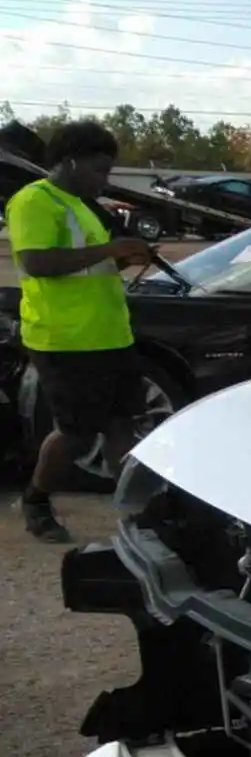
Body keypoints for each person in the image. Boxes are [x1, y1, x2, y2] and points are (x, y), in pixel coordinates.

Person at [6, 119, 155, 543]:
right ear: (70, 162)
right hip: (66, 339)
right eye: (100, 169)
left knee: (123, 423)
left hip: (109, 334)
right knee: (76, 433)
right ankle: (35, 501)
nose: (104, 180)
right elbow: (36, 263)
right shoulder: (35, 201)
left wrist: (124, 258)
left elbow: (88, 267)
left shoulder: (80, 206)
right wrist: (111, 248)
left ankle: (135, 515)